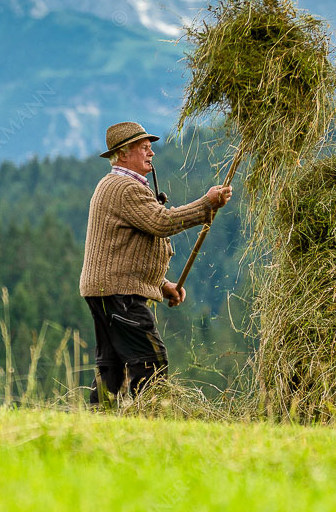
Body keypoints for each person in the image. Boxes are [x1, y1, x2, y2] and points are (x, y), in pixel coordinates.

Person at [79, 121, 231, 401]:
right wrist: (206, 204)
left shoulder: (117, 185)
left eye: (150, 148)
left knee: (112, 366)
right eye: (144, 148)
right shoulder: (124, 187)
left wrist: (161, 285)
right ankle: (147, 418)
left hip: (107, 289)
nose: (151, 154)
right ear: (123, 154)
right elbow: (160, 222)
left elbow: (124, 250)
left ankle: (100, 421)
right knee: (151, 360)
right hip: (119, 292)